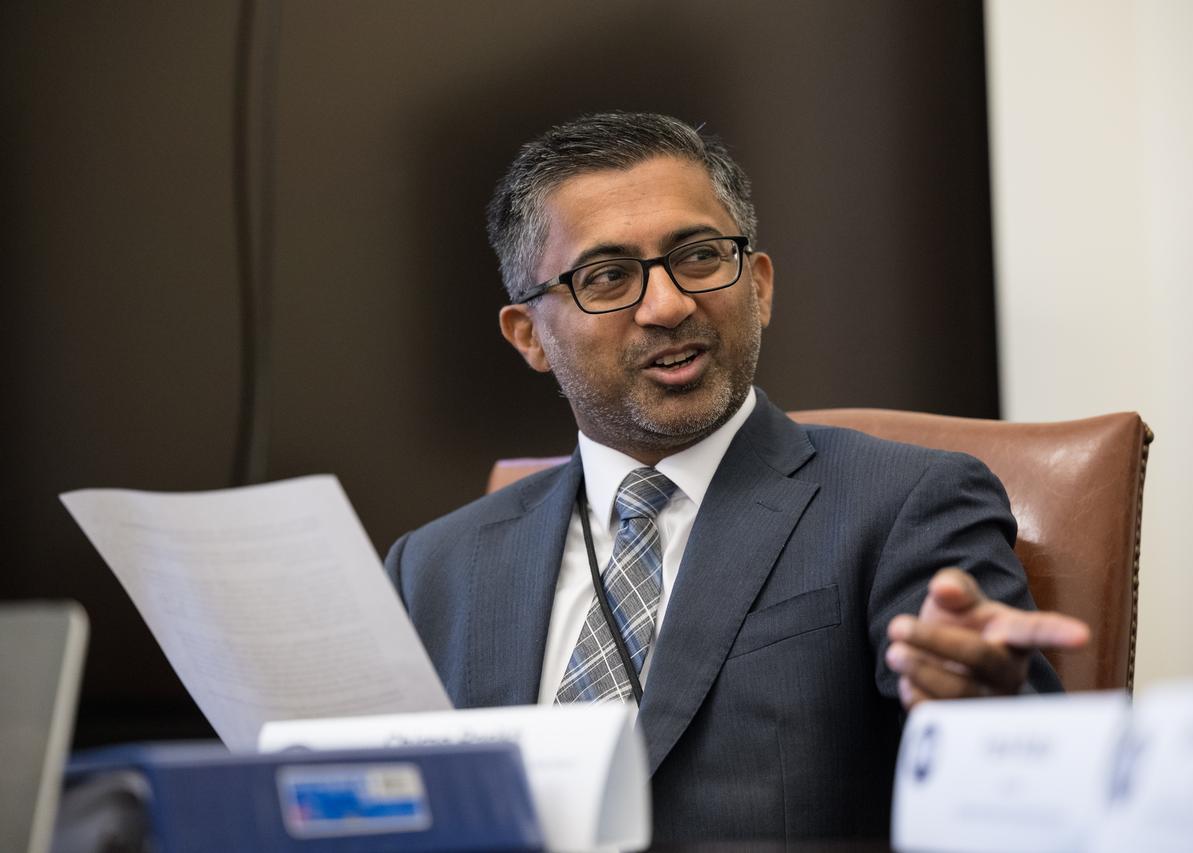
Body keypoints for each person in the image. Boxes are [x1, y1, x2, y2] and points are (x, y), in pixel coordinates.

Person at [384, 111, 1089, 841]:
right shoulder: (432, 569)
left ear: (758, 286)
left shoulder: (904, 503)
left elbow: (1033, 798)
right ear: (529, 336)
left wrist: (982, 716)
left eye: (697, 257)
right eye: (607, 276)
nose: (668, 305)